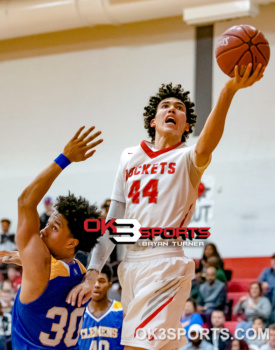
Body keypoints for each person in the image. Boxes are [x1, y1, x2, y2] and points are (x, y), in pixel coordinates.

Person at [67, 64, 265, 350]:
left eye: (180, 108)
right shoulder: (129, 157)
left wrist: (228, 90)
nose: (172, 109)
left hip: (165, 262)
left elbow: (208, 143)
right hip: (129, 265)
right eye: (165, 106)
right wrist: (93, 270)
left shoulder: (189, 158)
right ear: (153, 120)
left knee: (138, 347)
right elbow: (113, 221)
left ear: (187, 126)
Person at [8, 126, 102, 349]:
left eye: (54, 227)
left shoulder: (41, 265)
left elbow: (25, 202)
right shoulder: (80, 271)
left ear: (72, 242)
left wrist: (65, 158)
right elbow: (57, 269)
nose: (43, 231)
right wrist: (24, 258)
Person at [78, 264, 124, 350]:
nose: (97, 285)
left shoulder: (121, 311)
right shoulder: (78, 312)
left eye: (102, 281)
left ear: (110, 284)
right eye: (93, 281)